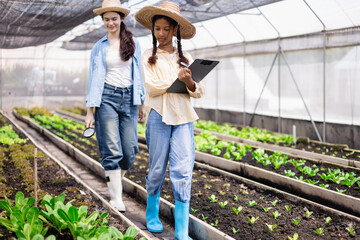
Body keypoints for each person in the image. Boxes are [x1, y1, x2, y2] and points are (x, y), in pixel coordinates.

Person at [135, 1, 204, 239]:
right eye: (157, 29)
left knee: (183, 169)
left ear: (175, 30)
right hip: (159, 117)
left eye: (166, 29)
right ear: (152, 30)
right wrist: (179, 80)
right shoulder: (148, 56)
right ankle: (152, 214)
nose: (161, 34)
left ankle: (181, 229)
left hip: (184, 118)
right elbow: (152, 87)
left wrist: (189, 82)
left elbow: (198, 90)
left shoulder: (186, 57)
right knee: (157, 168)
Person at [85, 0, 145, 212]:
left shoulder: (134, 43)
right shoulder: (99, 47)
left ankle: (115, 182)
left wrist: (141, 103)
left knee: (129, 150)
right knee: (111, 149)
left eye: (114, 18)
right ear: (103, 21)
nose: (111, 23)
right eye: (106, 19)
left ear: (121, 19)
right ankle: (116, 197)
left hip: (129, 99)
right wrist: (89, 110)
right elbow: (93, 78)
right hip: (106, 98)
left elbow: (139, 75)